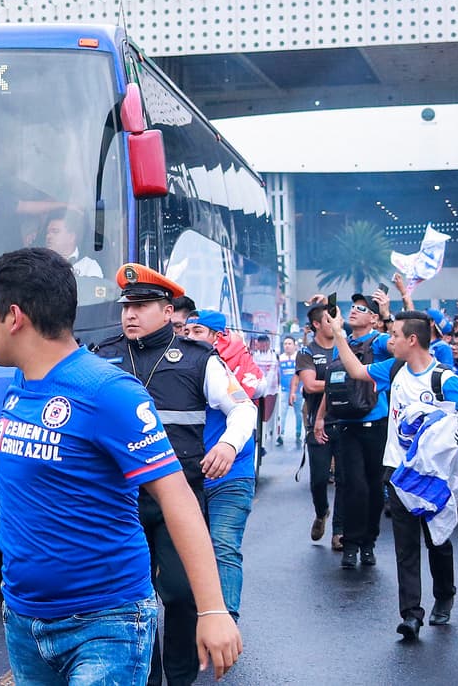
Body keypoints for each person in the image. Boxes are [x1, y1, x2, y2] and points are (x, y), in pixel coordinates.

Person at [0, 250, 241, 682]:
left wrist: (212, 609)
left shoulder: (109, 391)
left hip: (106, 625)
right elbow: (7, 474)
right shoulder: (22, 386)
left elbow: (177, 498)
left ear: (14, 317)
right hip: (24, 622)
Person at [93, 266, 253, 685]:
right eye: (127, 306)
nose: (131, 314)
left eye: (142, 306)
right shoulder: (101, 355)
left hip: (176, 498)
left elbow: (243, 408)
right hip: (119, 500)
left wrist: (227, 445)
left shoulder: (200, 359)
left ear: (167, 311)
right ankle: (146, 676)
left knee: (182, 593)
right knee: (131, 598)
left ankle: (180, 678)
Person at [328, 309, 458, 639]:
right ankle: (411, 614)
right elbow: (357, 371)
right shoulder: (394, 368)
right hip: (400, 472)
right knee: (405, 547)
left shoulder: (446, 380)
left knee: (437, 541)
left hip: (434, 479)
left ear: (412, 340)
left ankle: (444, 595)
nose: (390, 340)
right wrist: (339, 335)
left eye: (396, 336)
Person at [182, 310, 260, 624]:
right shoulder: (175, 367)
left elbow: (245, 408)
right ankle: (196, 614)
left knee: (223, 544)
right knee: (187, 551)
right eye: (185, 331)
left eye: (198, 331)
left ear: (218, 337)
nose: (189, 337)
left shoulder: (221, 367)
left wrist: (227, 446)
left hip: (231, 472)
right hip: (188, 477)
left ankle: (226, 618)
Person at [314, 294, 390, 569]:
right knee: (352, 486)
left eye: (362, 309)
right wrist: (320, 417)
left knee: (373, 487)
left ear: (373, 318)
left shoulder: (380, 341)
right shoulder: (341, 345)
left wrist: (388, 312)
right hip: (346, 425)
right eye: (353, 307)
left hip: (375, 424)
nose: (355, 311)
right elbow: (333, 385)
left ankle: (369, 543)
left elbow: (401, 343)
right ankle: (351, 543)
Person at [297, 304, 344, 549]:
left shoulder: (344, 347)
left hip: (346, 421)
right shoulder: (307, 351)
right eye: (328, 320)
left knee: (344, 480)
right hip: (318, 422)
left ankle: (339, 532)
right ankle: (321, 511)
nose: (333, 324)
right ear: (317, 324)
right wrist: (340, 380)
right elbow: (309, 386)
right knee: (318, 479)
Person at [43, 209, 102, 278]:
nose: (48, 236)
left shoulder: (89, 267)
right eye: (47, 232)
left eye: (55, 231)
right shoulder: (41, 264)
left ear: (71, 237)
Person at [250, 334, 279, 448]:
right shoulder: (254, 356)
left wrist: (265, 388)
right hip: (256, 391)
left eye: (265, 343)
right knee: (257, 416)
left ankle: (266, 439)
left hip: (270, 391)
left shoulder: (273, 356)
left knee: (267, 416)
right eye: (260, 343)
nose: (262, 345)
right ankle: (259, 441)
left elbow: (272, 374)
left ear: (268, 344)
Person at [277, 337, 302, 446]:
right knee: (282, 413)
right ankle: (280, 435)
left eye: (289, 343)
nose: (287, 346)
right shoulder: (280, 358)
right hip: (284, 390)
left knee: (299, 413)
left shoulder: (299, 357)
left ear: (294, 345)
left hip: (297, 391)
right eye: (285, 344)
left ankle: (298, 434)